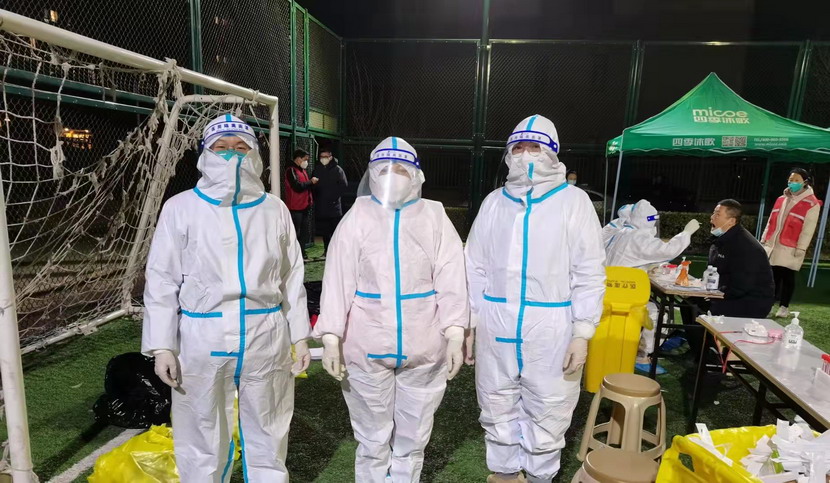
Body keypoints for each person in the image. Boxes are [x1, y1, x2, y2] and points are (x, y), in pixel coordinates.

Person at [143, 114, 311, 482]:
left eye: (240, 148)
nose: (231, 155)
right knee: (200, 435)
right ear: (205, 153)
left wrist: (300, 336)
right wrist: (162, 346)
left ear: (255, 155)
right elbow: (161, 279)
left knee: (269, 431)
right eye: (221, 148)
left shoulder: (274, 209)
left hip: (264, 334)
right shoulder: (181, 208)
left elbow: (291, 276)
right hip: (202, 337)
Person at [312, 136, 469, 483]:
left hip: (424, 343)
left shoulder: (434, 216)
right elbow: (338, 279)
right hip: (365, 343)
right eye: (383, 169)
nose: (392, 175)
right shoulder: (357, 216)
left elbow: (451, 276)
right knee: (371, 437)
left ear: (416, 175)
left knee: (413, 437)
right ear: (372, 173)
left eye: (401, 168)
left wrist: (456, 331)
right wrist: (331, 336)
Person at [465, 115, 605, 483]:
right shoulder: (494, 203)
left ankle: (540, 475)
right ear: (508, 154)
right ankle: (505, 473)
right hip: (496, 322)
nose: (526, 155)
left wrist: (582, 332)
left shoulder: (573, 202)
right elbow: (474, 265)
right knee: (495, 400)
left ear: (552, 153)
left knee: (550, 405)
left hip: (552, 326)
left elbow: (589, 271)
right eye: (518, 148)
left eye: (535, 147)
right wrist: (471, 322)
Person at [605, 200, 700, 374]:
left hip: (608, 290)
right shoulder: (639, 238)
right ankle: (642, 355)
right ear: (648, 220)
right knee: (657, 313)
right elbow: (668, 250)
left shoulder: (622, 232)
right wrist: (686, 233)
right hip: (623, 295)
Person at [681, 200, 775, 358]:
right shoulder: (722, 239)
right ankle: (700, 351)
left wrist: (716, 295)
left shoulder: (745, 246)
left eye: (717, 214)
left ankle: (708, 356)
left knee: (699, 309)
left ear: (731, 221)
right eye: (713, 213)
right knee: (688, 304)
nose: (712, 217)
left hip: (750, 301)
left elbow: (742, 286)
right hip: (730, 293)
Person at [761, 168, 821, 318]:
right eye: (790, 180)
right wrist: (764, 238)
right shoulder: (781, 199)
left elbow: (808, 229)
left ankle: (784, 307)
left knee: (787, 276)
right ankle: (769, 305)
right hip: (774, 244)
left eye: (796, 180)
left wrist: (801, 247)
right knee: (773, 277)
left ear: (805, 182)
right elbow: (771, 221)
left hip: (792, 246)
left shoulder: (812, 203)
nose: (792, 182)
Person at [311, 148, 348, 256]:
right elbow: (313, 186)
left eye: (325, 157)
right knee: (325, 232)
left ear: (331, 157)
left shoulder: (338, 170)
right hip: (322, 206)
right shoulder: (317, 169)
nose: (323, 159)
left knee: (336, 231)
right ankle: (327, 251)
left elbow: (343, 186)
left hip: (334, 207)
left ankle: (337, 251)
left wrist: (333, 198)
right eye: (321, 157)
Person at [284, 148, 318, 259]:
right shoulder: (291, 170)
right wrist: (310, 182)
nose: (306, 162)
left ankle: (301, 252)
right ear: (298, 159)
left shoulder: (302, 170)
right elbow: (297, 186)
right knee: (296, 232)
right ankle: (294, 254)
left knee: (304, 232)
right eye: (305, 159)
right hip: (295, 207)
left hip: (305, 206)